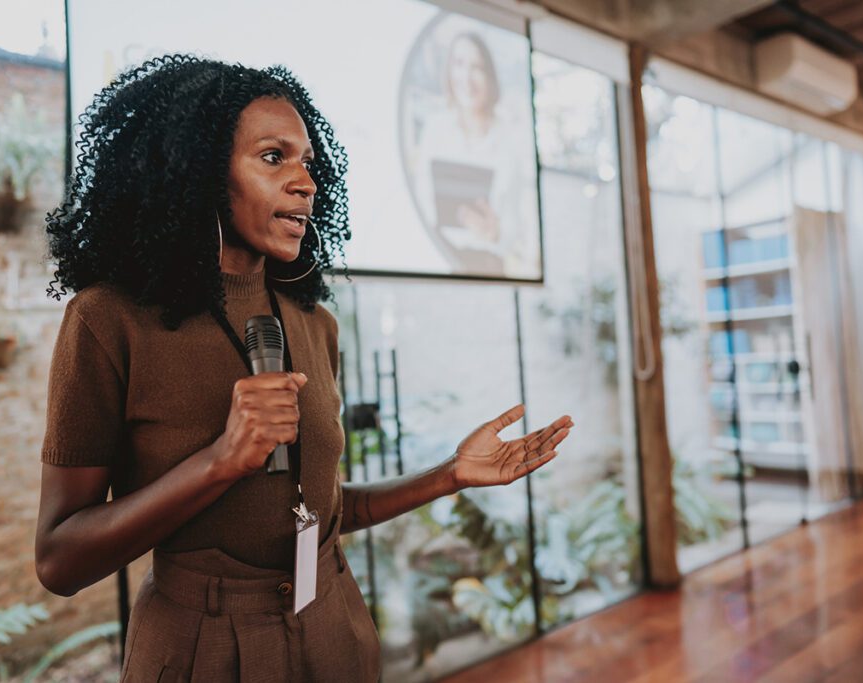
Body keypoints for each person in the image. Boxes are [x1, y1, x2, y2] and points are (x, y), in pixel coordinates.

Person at [34, 54, 572, 682]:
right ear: (201, 172)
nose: (304, 182)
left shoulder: (314, 322)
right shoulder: (108, 321)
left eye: (307, 163)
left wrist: (449, 475)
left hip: (334, 626)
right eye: (273, 157)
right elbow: (59, 560)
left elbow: (320, 510)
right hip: (202, 645)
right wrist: (220, 461)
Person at [412, 31, 540, 278]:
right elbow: (422, 202)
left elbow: (517, 224)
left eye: (477, 67)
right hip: (434, 261)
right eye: (459, 64)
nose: (466, 78)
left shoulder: (510, 139)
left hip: (488, 266)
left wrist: (495, 232)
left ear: (490, 77)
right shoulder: (435, 128)